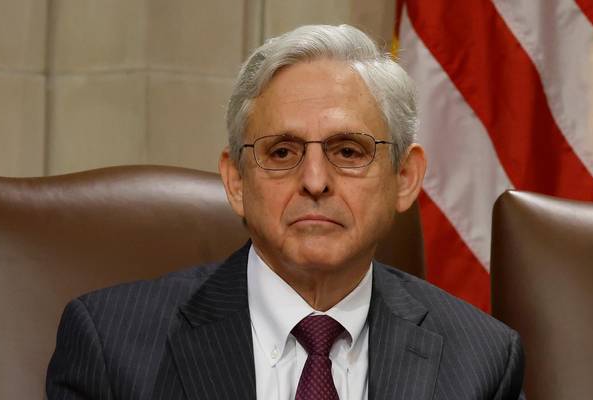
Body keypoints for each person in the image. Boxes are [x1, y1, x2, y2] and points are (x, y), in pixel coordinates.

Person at [46, 24, 524, 400]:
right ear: (236, 181)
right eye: (281, 153)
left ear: (404, 178)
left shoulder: (481, 362)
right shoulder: (111, 344)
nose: (315, 181)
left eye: (349, 151)